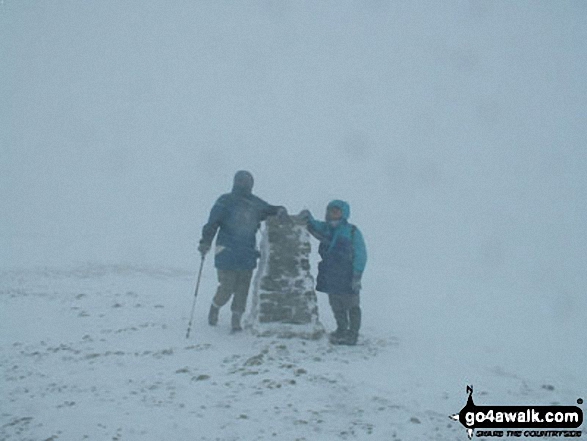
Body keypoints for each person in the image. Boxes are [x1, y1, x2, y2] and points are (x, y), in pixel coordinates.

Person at [198, 170, 287, 333]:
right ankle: (215, 307)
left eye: (246, 181)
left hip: (246, 252)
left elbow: (269, 209)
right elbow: (212, 223)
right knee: (227, 287)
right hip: (227, 251)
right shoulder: (225, 201)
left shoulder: (254, 203)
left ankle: (236, 320)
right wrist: (205, 242)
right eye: (241, 181)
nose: (243, 184)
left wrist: (280, 210)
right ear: (235, 182)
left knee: (242, 289)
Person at [300, 200, 367, 345]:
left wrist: (357, 275)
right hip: (331, 274)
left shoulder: (352, 231)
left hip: (348, 274)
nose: (333, 214)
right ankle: (341, 329)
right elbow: (314, 225)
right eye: (331, 211)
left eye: (337, 211)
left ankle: (353, 334)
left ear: (344, 213)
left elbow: (361, 254)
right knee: (336, 304)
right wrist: (307, 216)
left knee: (351, 304)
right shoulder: (326, 229)